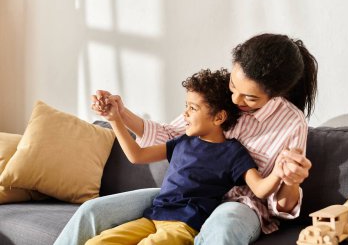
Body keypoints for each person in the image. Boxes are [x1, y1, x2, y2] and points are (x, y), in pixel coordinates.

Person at [54, 33, 317, 245]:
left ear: (277, 94)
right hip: (183, 195)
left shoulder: (290, 124)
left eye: (250, 98)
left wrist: (290, 180)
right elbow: (170, 136)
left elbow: (273, 199)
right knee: (92, 211)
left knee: (222, 230)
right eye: (234, 89)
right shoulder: (217, 97)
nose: (236, 101)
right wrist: (119, 115)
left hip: (239, 203)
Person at [85, 69, 285, 245]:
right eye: (186, 106)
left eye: (193, 108)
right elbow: (136, 155)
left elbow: (259, 189)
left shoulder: (233, 152)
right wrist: (114, 119)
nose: (185, 114)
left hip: (185, 225)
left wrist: (278, 171)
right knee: (98, 242)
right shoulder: (182, 142)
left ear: (219, 117)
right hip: (153, 218)